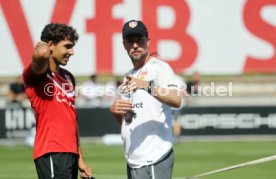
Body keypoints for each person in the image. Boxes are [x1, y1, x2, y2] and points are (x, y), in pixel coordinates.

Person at [110, 20, 181, 179]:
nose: (135, 45)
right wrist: (115, 111)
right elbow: (126, 120)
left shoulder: (160, 67)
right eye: (130, 41)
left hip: (154, 157)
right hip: (133, 158)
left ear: (147, 41)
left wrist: (145, 85)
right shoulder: (129, 74)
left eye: (139, 40)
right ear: (124, 45)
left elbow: (176, 100)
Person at [22, 23, 93, 179]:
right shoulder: (37, 75)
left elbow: (71, 119)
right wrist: (43, 44)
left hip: (70, 152)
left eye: (72, 47)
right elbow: (41, 54)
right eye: (67, 46)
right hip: (51, 150)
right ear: (51, 45)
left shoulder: (68, 77)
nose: (72, 52)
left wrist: (80, 158)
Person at [171, 74, 190, 140]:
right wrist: (188, 100)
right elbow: (183, 90)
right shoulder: (179, 78)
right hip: (176, 104)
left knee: (174, 121)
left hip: (169, 104)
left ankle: (174, 136)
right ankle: (176, 136)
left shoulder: (165, 76)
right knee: (176, 120)